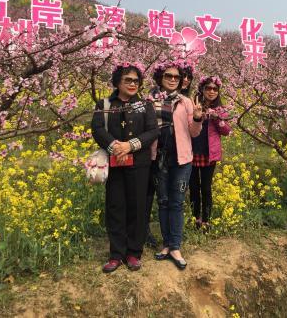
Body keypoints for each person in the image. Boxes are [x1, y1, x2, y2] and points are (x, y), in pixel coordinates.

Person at [91, 62, 159, 273]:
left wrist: (130, 146)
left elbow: (152, 131)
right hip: (114, 163)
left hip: (139, 164)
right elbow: (97, 129)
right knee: (115, 206)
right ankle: (116, 254)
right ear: (117, 82)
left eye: (136, 81)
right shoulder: (105, 104)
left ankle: (133, 252)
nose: (132, 84)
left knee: (137, 207)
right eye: (127, 80)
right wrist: (115, 147)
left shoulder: (145, 105)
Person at [147, 60, 203, 270]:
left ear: (181, 81)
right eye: (168, 76)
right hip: (158, 158)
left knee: (177, 202)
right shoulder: (150, 100)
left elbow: (194, 133)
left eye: (176, 77)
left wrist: (197, 119)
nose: (172, 80)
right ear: (160, 77)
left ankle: (175, 246)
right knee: (163, 201)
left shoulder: (186, 102)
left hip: (181, 159)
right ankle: (166, 244)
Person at [189, 76, 231, 229]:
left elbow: (227, 131)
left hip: (209, 154)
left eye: (215, 89)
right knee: (193, 187)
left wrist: (217, 118)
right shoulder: (194, 104)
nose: (211, 91)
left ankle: (206, 220)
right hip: (193, 151)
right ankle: (195, 218)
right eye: (208, 88)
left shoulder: (221, 109)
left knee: (206, 188)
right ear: (202, 89)